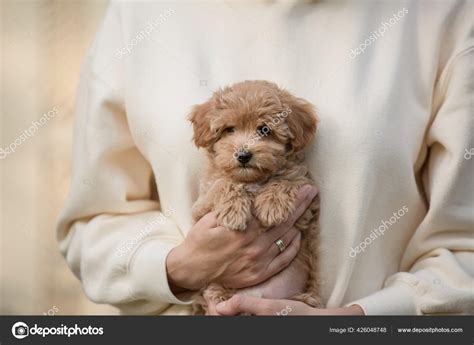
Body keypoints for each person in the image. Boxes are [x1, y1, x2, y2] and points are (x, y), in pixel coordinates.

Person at [57, 0, 473, 315]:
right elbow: (93, 223)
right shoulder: (137, 14)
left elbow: (465, 246)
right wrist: (179, 267)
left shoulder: (441, 15)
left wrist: (358, 322)